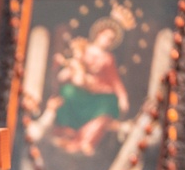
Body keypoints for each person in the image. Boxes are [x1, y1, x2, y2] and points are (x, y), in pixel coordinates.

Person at [44, 17, 130, 156]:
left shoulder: (108, 58)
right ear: (99, 34)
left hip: (98, 95)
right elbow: (73, 67)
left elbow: (115, 81)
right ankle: (66, 133)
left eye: (111, 39)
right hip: (81, 92)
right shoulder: (83, 49)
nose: (107, 41)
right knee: (67, 91)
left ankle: (86, 140)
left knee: (109, 103)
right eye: (106, 36)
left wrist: (123, 97)